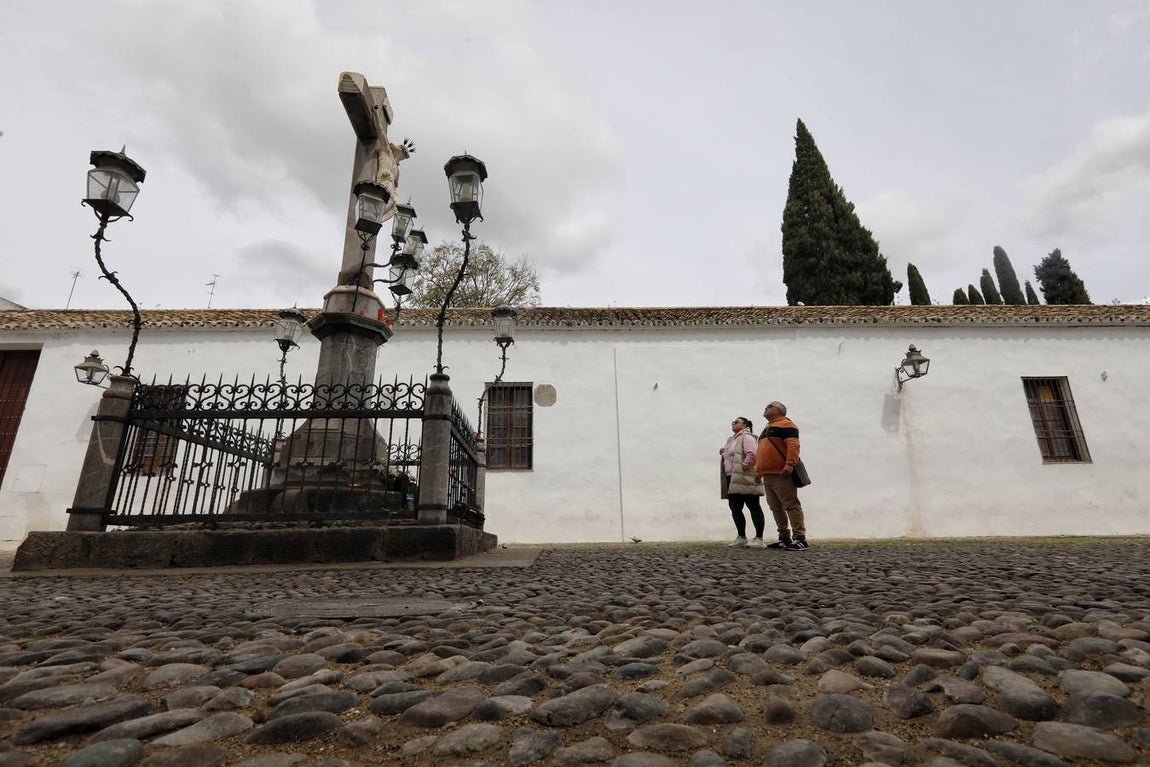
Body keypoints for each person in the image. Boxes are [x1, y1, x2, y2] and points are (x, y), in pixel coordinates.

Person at [756, 401, 809, 550]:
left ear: (779, 410)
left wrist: (789, 465)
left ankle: (800, 538)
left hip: (781, 472)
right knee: (775, 507)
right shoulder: (767, 428)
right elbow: (762, 450)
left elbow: (793, 446)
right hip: (768, 474)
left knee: (791, 504)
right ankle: (784, 537)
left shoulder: (786, 424)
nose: (765, 408)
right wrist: (758, 471)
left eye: (769, 406)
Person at [721, 416, 766, 547]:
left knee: (753, 506)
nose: (733, 424)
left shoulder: (747, 437)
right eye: (733, 422)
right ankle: (741, 537)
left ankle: (759, 539)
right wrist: (724, 452)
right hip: (732, 477)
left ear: (745, 425)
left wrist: (743, 468)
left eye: (737, 422)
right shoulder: (732, 439)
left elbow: (752, 454)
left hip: (745, 476)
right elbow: (735, 454)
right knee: (735, 507)